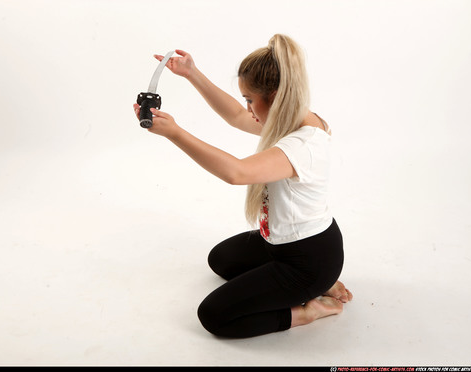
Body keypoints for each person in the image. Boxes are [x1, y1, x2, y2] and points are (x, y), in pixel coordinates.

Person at [133, 34, 353, 338]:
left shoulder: (305, 144)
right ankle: (318, 282)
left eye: (250, 100)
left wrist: (174, 133)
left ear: (275, 96)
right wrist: (191, 73)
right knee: (221, 260)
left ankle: (307, 309)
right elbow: (236, 116)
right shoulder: (290, 117)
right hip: (281, 242)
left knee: (214, 315)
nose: (247, 109)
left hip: (308, 259)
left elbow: (237, 172)